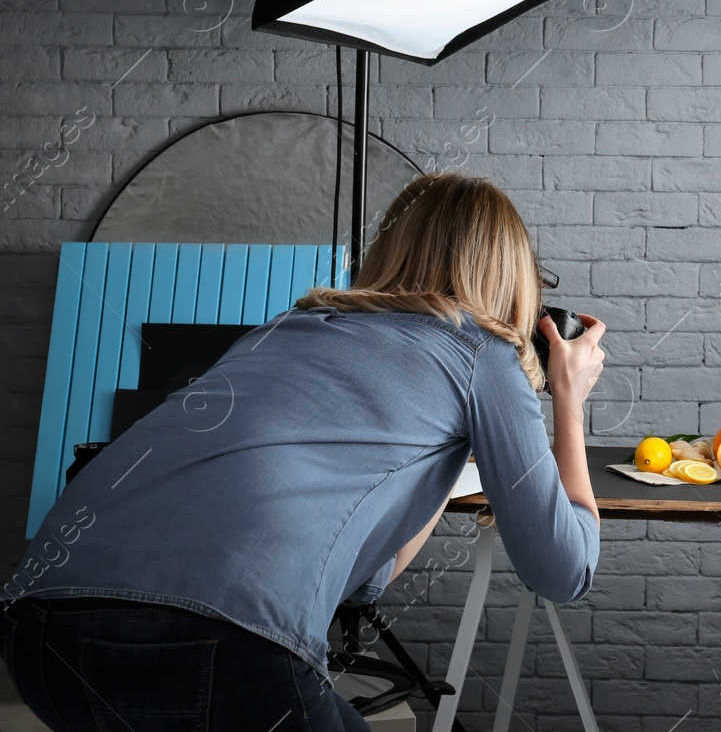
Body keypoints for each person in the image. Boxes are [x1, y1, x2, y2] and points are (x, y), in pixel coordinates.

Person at [1, 172, 605, 730]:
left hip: (40, 636)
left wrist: (445, 467)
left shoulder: (285, 328)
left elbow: (360, 582)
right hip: (218, 640)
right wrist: (568, 398)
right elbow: (562, 570)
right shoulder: (483, 355)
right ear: (515, 278)